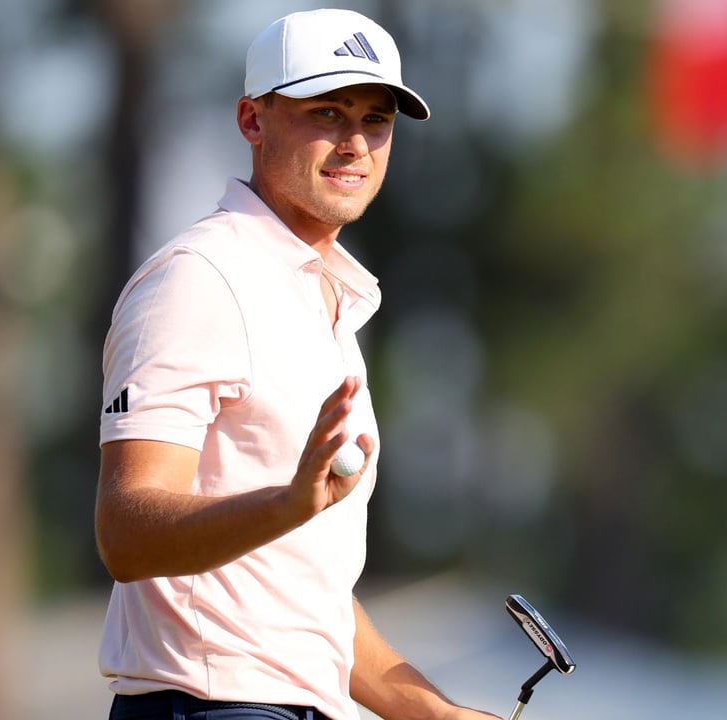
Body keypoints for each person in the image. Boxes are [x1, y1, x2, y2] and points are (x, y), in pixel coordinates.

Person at [94, 8, 499, 720]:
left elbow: (298, 591)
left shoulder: (326, 301)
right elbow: (125, 534)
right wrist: (284, 504)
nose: (355, 143)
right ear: (253, 120)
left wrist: (440, 715)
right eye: (328, 112)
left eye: (376, 121)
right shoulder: (200, 278)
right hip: (206, 706)